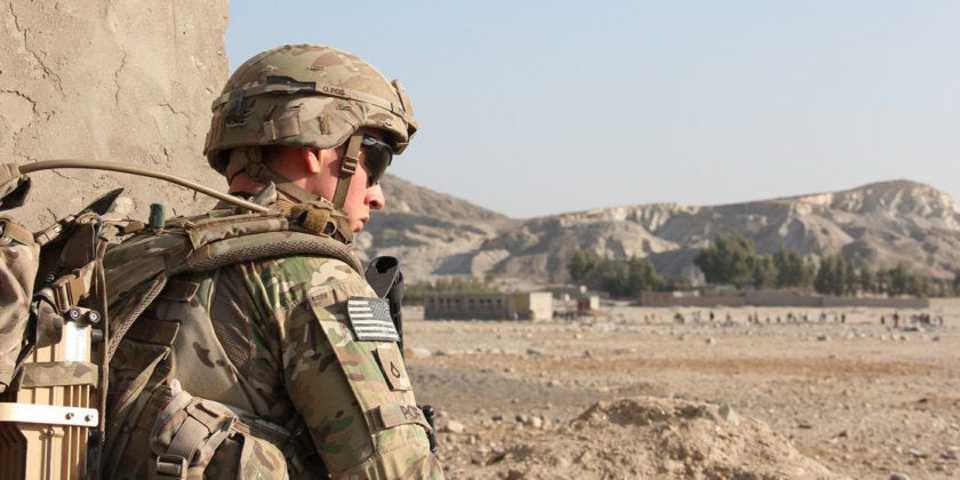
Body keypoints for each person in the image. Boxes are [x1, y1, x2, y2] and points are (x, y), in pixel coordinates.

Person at [103, 44, 443, 479]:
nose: (377, 195)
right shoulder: (317, 276)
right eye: (374, 162)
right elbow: (394, 469)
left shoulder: (136, 256)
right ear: (316, 148)